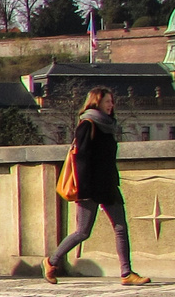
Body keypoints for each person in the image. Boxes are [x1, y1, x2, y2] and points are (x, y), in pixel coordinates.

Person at [46, 87, 149, 286]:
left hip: (108, 184)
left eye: (112, 101)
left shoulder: (109, 126)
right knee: (82, 232)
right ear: (96, 103)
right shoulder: (88, 124)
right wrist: (84, 190)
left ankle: (126, 273)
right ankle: (51, 261)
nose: (111, 105)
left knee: (120, 227)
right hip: (90, 187)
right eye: (107, 102)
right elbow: (81, 159)